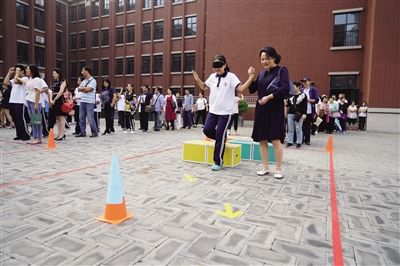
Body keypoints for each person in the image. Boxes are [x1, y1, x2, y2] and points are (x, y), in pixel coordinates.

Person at [193, 55, 254, 171]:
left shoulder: (231, 77)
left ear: (225, 65)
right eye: (215, 69)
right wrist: (197, 79)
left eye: (219, 68)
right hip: (213, 111)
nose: (217, 70)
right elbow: (204, 87)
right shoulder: (212, 76)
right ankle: (221, 138)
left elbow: (240, 89)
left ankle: (218, 161)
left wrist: (250, 77)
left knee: (220, 135)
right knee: (207, 130)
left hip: (226, 113)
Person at [246, 47, 290, 179]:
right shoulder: (262, 74)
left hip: (275, 109)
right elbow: (253, 89)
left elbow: (285, 89)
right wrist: (251, 76)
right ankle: (265, 167)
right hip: (261, 109)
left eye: (267, 58)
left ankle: (278, 169)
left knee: (276, 140)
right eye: (262, 59)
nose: (264, 61)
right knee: (262, 139)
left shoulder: (282, 70)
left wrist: (269, 97)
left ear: (274, 57)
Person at [4, 65, 30, 141]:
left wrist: (17, 72)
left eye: (17, 70)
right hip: (13, 101)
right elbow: (5, 82)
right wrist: (9, 73)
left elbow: (16, 81)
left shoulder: (25, 78)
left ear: (22, 71)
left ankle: (26, 134)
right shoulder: (15, 78)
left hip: (21, 101)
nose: (16, 71)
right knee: (15, 119)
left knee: (21, 118)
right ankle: (19, 134)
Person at [21, 65, 45, 144]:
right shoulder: (30, 79)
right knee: (33, 121)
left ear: (32, 70)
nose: (26, 70)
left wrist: (36, 104)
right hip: (29, 101)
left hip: (34, 102)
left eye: (27, 69)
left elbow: (37, 92)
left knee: (36, 121)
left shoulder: (36, 80)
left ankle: (38, 138)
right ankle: (34, 137)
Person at [75, 66, 98, 137]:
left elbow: (89, 89)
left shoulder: (93, 81)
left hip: (89, 102)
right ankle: (82, 132)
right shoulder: (84, 81)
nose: (82, 72)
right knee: (81, 118)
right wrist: (83, 89)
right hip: (82, 101)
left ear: (87, 71)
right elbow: (79, 88)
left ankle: (94, 132)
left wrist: (83, 89)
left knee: (90, 118)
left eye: (83, 71)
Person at [285, 81, 307, 149]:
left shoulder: (303, 95)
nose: (292, 88)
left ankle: (299, 143)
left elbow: (304, 106)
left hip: (299, 114)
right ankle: (289, 142)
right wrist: (285, 101)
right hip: (290, 113)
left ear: (298, 87)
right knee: (290, 129)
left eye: (294, 87)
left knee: (298, 129)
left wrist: (304, 114)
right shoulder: (290, 95)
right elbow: (288, 105)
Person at [48, 68, 67, 140]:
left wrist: (55, 99)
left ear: (58, 74)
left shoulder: (63, 81)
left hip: (59, 100)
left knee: (61, 117)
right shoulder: (53, 82)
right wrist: (50, 99)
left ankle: (62, 134)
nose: (53, 75)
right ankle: (59, 134)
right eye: (53, 73)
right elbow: (50, 92)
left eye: (54, 73)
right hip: (53, 100)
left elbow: (61, 91)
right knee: (57, 118)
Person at [300, 76, 319, 145]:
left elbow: (316, 100)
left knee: (308, 126)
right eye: (303, 82)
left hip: (310, 110)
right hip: (302, 111)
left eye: (305, 81)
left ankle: (307, 140)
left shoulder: (313, 90)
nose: (304, 83)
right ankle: (301, 139)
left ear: (309, 82)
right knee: (301, 125)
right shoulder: (301, 90)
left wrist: (307, 100)